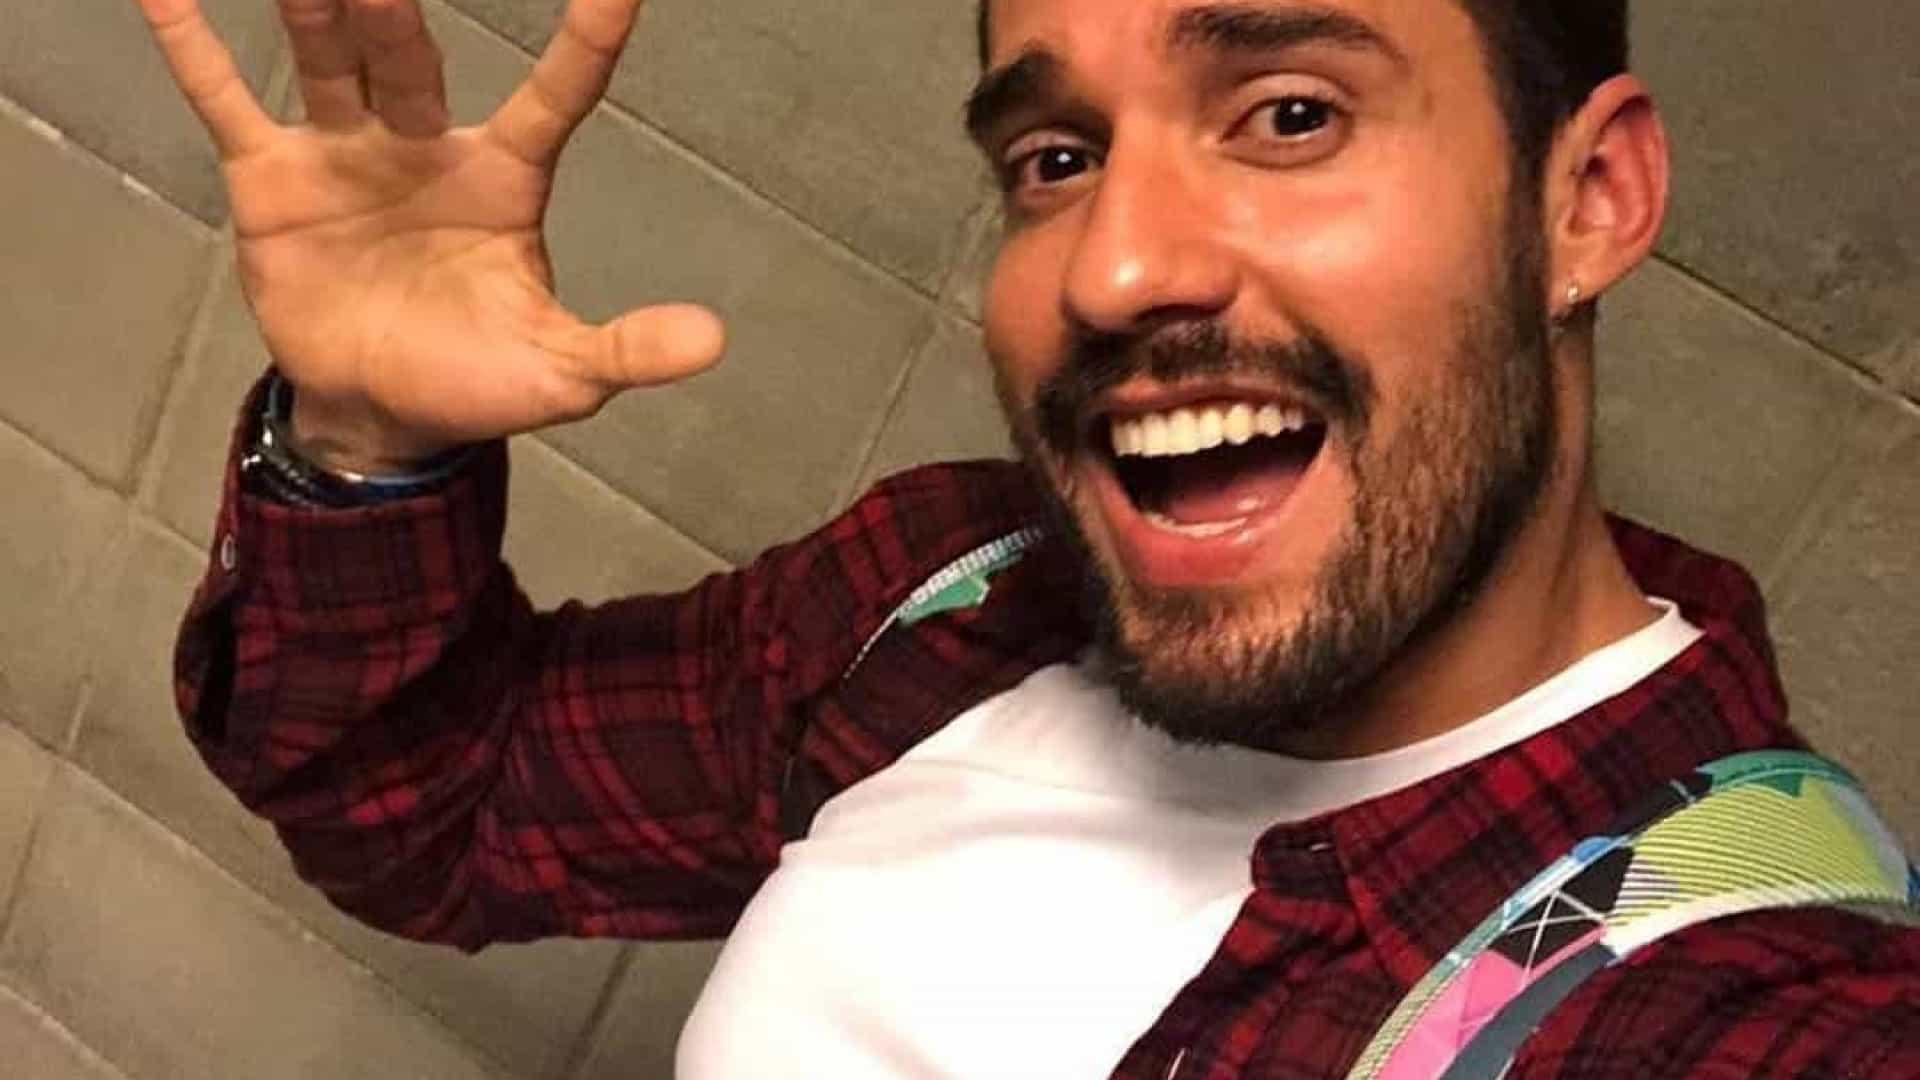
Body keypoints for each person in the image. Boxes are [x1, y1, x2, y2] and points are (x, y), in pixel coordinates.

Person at [140, 0, 1920, 1076]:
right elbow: (431, 809)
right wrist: (368, 444)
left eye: (1289, 115)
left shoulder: (1731, 1001)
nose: (1115, 267)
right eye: (1057, 158)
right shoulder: (954, 604)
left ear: (1585, 200)